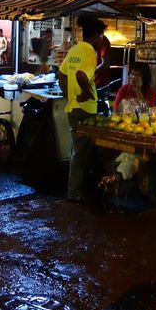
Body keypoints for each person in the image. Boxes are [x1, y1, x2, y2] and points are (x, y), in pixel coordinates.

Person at [58, 16, 107, 202]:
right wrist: (85, 95)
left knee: (78, 149)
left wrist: (69, 95)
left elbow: (61, 74)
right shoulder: (89, 53)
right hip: (85, 109)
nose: (102, 40)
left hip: (73, 108)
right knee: (82, 153)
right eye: (102, 36)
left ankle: (77, 189)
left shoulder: (75, 49)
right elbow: (80, 75)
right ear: (96, 36)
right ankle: (75, 192)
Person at [95, 35, 111, 116]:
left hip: (101, 82)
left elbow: (105, 64)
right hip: (94, 81)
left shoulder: (104, 42)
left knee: (101, 115)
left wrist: (90, 73)